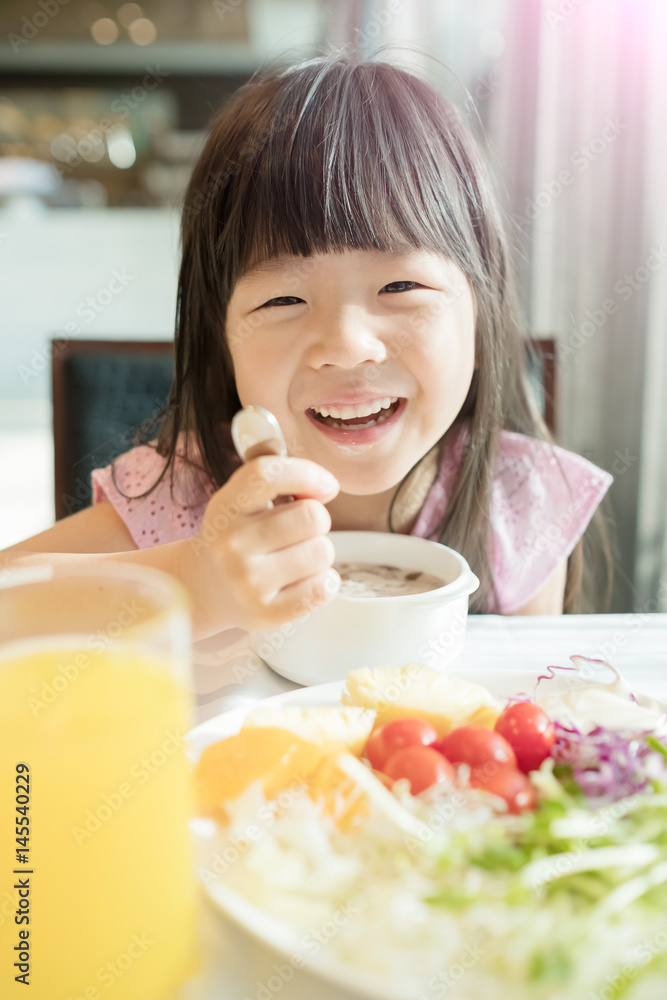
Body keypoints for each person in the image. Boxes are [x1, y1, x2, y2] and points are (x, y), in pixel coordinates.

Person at [1, 49, 613, 639]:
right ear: (223, 339)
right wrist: (191, 581)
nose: (346, 347)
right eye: (283, 300)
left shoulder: (520, 503)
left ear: (482, 321)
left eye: (401, 285)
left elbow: (525, 714)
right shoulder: (183, 497)